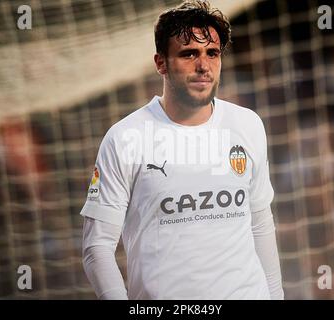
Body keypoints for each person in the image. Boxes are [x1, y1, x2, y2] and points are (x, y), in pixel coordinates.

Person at [80, 0, 284, 300]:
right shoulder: (125, 138)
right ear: (160, 62)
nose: (203, 65)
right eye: (189, 54)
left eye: (212, 53)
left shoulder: (247, 125)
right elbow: (96, 247)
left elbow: (261, 224)